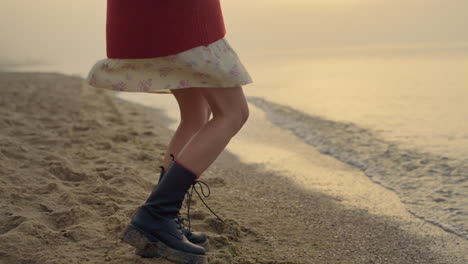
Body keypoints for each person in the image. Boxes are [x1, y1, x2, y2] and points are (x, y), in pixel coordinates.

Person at [85, 1, 253, 263]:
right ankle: (157, 214)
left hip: (148, 17)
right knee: (233, 113)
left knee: (197, 114)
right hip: (181, 18)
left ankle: (163, 218)